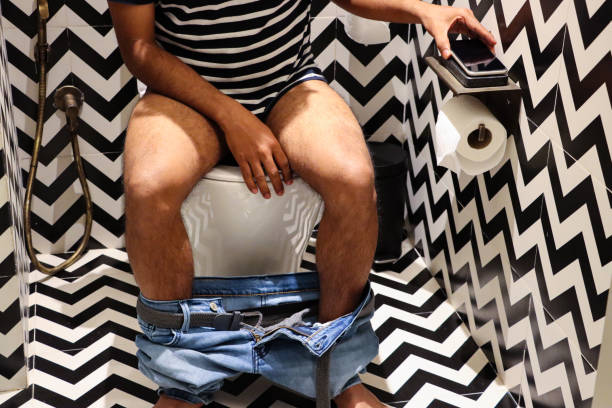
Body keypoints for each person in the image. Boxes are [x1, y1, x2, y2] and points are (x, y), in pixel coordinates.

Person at [107, 0, 496, 407]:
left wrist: (422, 11)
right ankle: (181, 379)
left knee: (354, 180)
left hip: (286, 84)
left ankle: (339, 371)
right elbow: (139, 48)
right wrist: (233, 117)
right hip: (185, 93)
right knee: (149, 188)